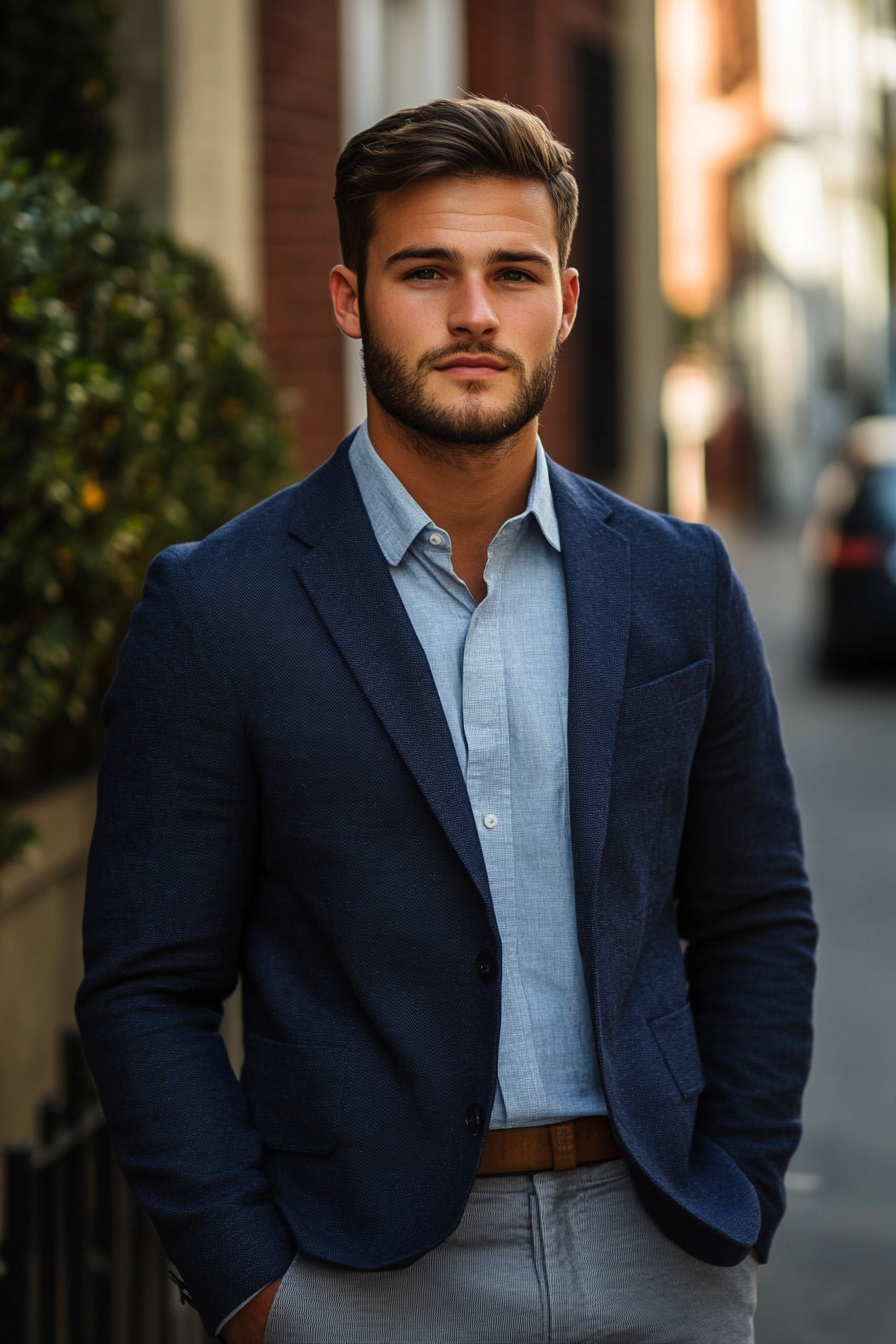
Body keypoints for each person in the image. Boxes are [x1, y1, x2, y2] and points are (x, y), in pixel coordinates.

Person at [76, 97, 817, 1344]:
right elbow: (147, 988)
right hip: (356, 1278)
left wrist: (736, 1195)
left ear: (565, 304)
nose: (474, 312)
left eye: (512, 273)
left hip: (661, 1250)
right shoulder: (216, 608)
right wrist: (252, 1290)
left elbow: (753, 911)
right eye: (426, 271)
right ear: (349, 297)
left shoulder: (678, 582)